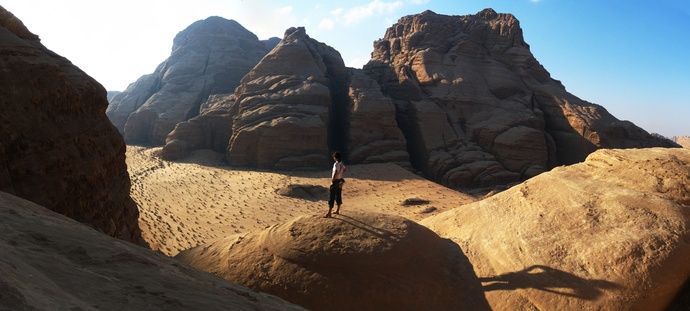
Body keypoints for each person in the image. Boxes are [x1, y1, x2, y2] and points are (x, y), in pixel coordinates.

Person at [325, 151, 346, 218]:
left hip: (335, 181)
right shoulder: (341, 164)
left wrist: (333, 179)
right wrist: (341, 174)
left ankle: (329, 213)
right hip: (340, 180)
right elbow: (345, 169)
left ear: (335, 157)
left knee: (332, 196)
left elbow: (336, 171)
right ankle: (337, 210)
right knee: (338, 195)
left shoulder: (336, 164)